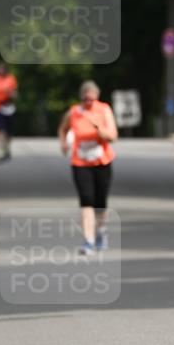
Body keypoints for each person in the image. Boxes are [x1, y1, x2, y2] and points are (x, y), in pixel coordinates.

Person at [58, 80, 118, 255]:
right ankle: (88, 241)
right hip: (80, 162)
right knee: (86, 201)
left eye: (91, 100)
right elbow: (63, 128)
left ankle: (100, 231)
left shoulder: (104, 110)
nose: (88, 103)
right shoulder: (74, 112)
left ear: (96, 98)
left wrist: (99, 129)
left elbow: (113, 136)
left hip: (102, 162)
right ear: (81, 98)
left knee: (100, 202)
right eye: (85, 99)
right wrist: (63, 143)